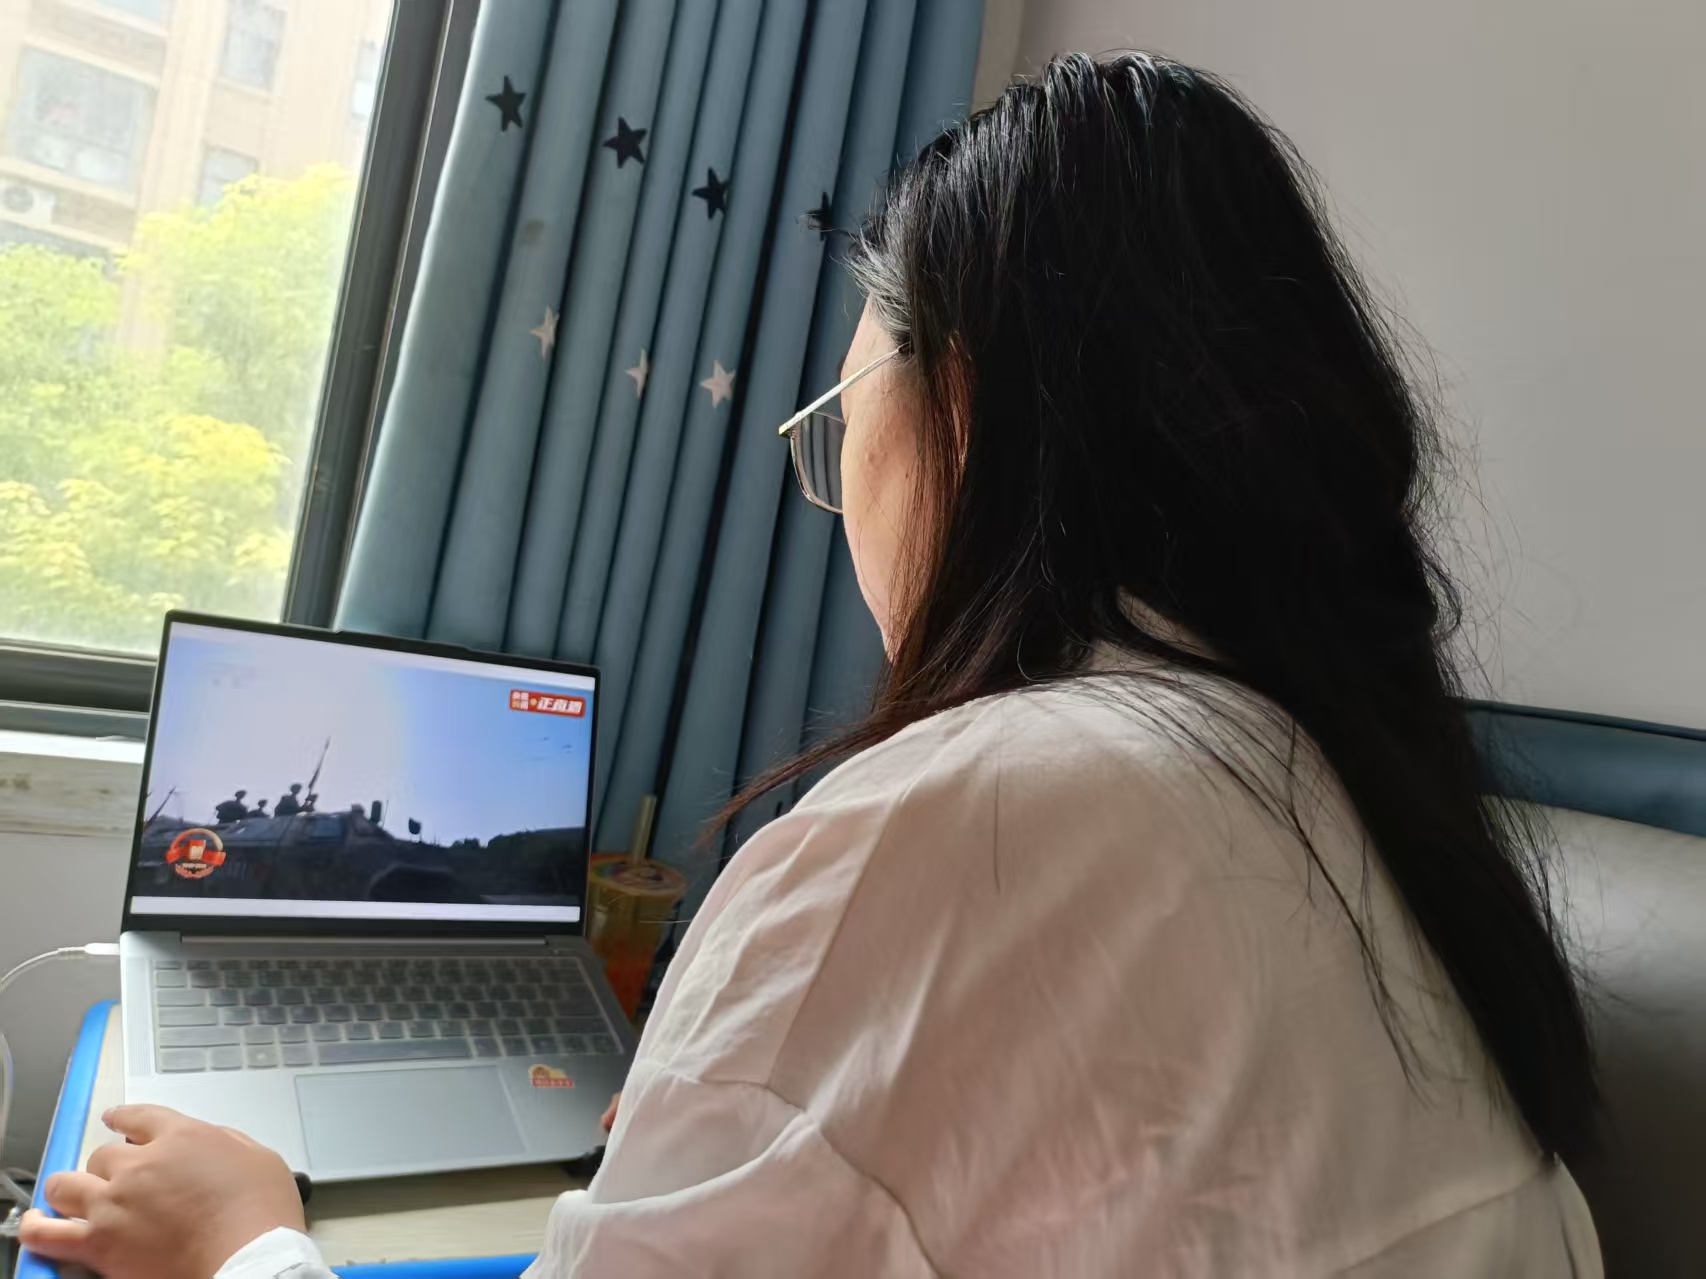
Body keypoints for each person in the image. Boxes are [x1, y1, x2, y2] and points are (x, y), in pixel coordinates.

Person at [20, 53, 1601, 1278]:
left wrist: (240, 1238)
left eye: (838, 429)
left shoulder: (985, 810)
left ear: (953, 405)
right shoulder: (1351, 790)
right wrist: (742, 1120)